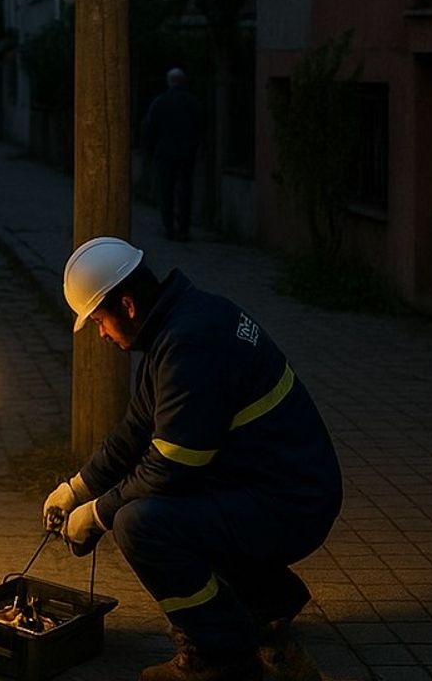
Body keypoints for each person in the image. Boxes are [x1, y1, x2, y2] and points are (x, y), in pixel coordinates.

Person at [45, 237, 342, 681]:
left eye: (99, 321)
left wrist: (100, 514)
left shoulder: (189, 344)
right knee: (166, 507)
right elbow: (134, 432)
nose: (101, 335)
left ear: (126, 305)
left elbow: (171, 466)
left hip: (291, 505)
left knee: (142, 524)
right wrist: (77, 489)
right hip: (280, 487)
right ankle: (266, 599)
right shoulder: (180, 320)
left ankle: (220, 654)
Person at [142, 68, 202, 242]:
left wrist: (150, 150)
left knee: (166, 190)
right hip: (187, 153)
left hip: (165, 153)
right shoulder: (192, 102)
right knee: (185, 190)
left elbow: (150, 129)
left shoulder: (160, 102)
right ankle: (183, 227)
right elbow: (200, 127)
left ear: (169, 82)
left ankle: (169, 226)